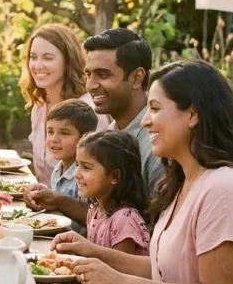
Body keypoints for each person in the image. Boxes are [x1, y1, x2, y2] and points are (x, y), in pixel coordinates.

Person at [54, 60, 233, 284]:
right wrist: (92, 252)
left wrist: (119, 282)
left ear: (193, 114)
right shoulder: (183, 181)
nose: (146, 121)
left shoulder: (225, 189)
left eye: (155, 108)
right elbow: (166, 270)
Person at [59, 129, 150, 284]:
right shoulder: (95, 210)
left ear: (115, 177)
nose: (76, 174)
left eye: (86, 167)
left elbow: (120, 275)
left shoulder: (124, 219)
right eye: (77, 165)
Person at [20, 24, 108, 185]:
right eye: (33, 57)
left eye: (48, 58)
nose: (37, 65)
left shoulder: (88, 109)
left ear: (68, 61)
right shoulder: (39, 107)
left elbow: (100, 179)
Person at [83, 28, 164, 189]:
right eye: (88, 75)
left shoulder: (158, 142)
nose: (91, 85)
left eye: (103, 74)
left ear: (136, 78)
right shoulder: (112, 131)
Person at [22, 100, 97, 234]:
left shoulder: (86, 175)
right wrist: (41, 195)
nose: (54, 139)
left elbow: (94, 219)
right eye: (50, 132)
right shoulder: (58, 168)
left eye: (64, 133)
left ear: (85, 137)